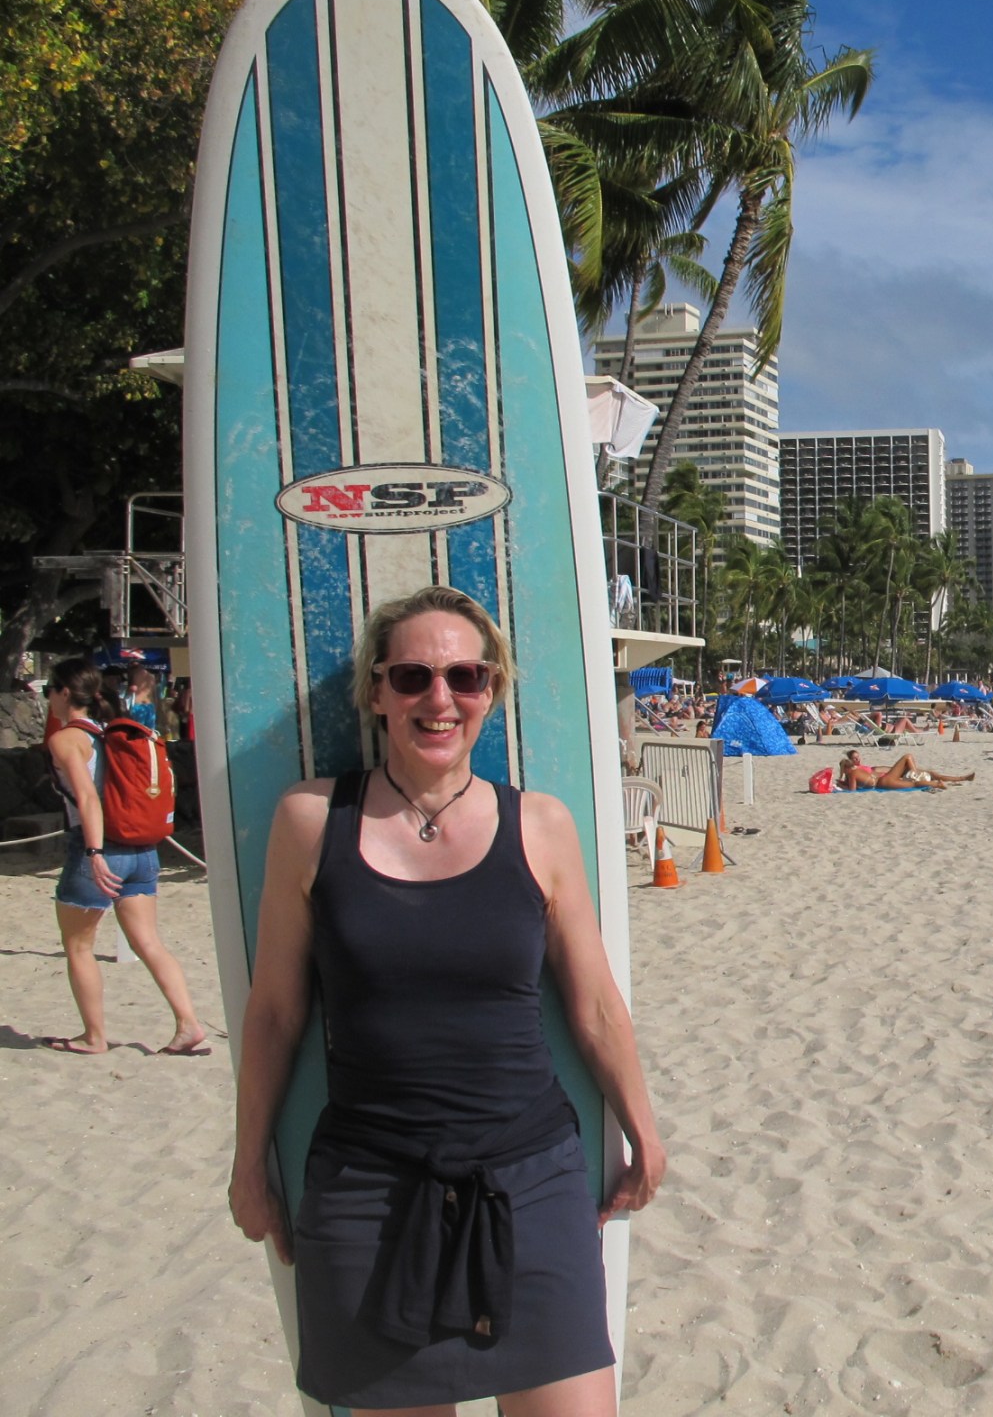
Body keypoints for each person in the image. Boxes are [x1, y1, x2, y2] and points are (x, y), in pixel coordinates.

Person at [229, 586, 663, 1412]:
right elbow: (277, 1011)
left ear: (491, 691)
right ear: (375, 693)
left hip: (530, 1180)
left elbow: (596, 1002)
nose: (440, 699)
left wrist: (644, 1130)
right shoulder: (312, 821)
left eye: (466, 677)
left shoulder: (539, 824)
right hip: (369, 1192)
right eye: (412, 677)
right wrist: (250, 1163)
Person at [40, 658, 209, 1057]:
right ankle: (189, 1023)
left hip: (99, 847)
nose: (48, 696)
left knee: (79, 947)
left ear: (65, 692)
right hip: (142, 850)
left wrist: (95, 853)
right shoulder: (108, 730)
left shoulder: (67, 739)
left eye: (50, 689)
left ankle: (93, 1036)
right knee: (149, 942)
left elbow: (86, 799)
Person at [838, 750, 975, 790]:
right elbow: (853, 788)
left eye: (858, 757)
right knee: (916, 781)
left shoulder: (855, 771)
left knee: (931, 774)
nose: (857, 760)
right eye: (854, 759)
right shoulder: (855, 771)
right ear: (851, 763)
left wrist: (841, 783)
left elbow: (852, 788)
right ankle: (931, 782)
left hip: (887, 777)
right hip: (886, 779)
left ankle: (961, 778)